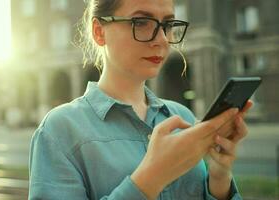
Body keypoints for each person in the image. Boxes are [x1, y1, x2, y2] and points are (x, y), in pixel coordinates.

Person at [29, 0, 252, 199]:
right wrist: (152, 177)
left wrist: (219, 175)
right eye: (141, 22)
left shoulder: (182, 116)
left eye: (167, 25)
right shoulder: (59, 130)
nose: (162, 39)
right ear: (99, 31)